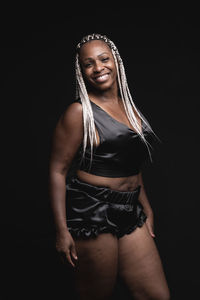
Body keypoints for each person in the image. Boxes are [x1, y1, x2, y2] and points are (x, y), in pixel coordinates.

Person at [49, 33, 170, 300]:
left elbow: (129, 164)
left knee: (156, 295)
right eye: (88, 63)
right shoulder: (79, 112)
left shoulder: (129, 108)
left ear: (116, 61)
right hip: (92, 209)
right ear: (81, 71)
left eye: (104, 59)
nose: (98, 68)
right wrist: (62, 231)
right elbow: (57, 171)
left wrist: (145, 206)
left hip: (130, 207)